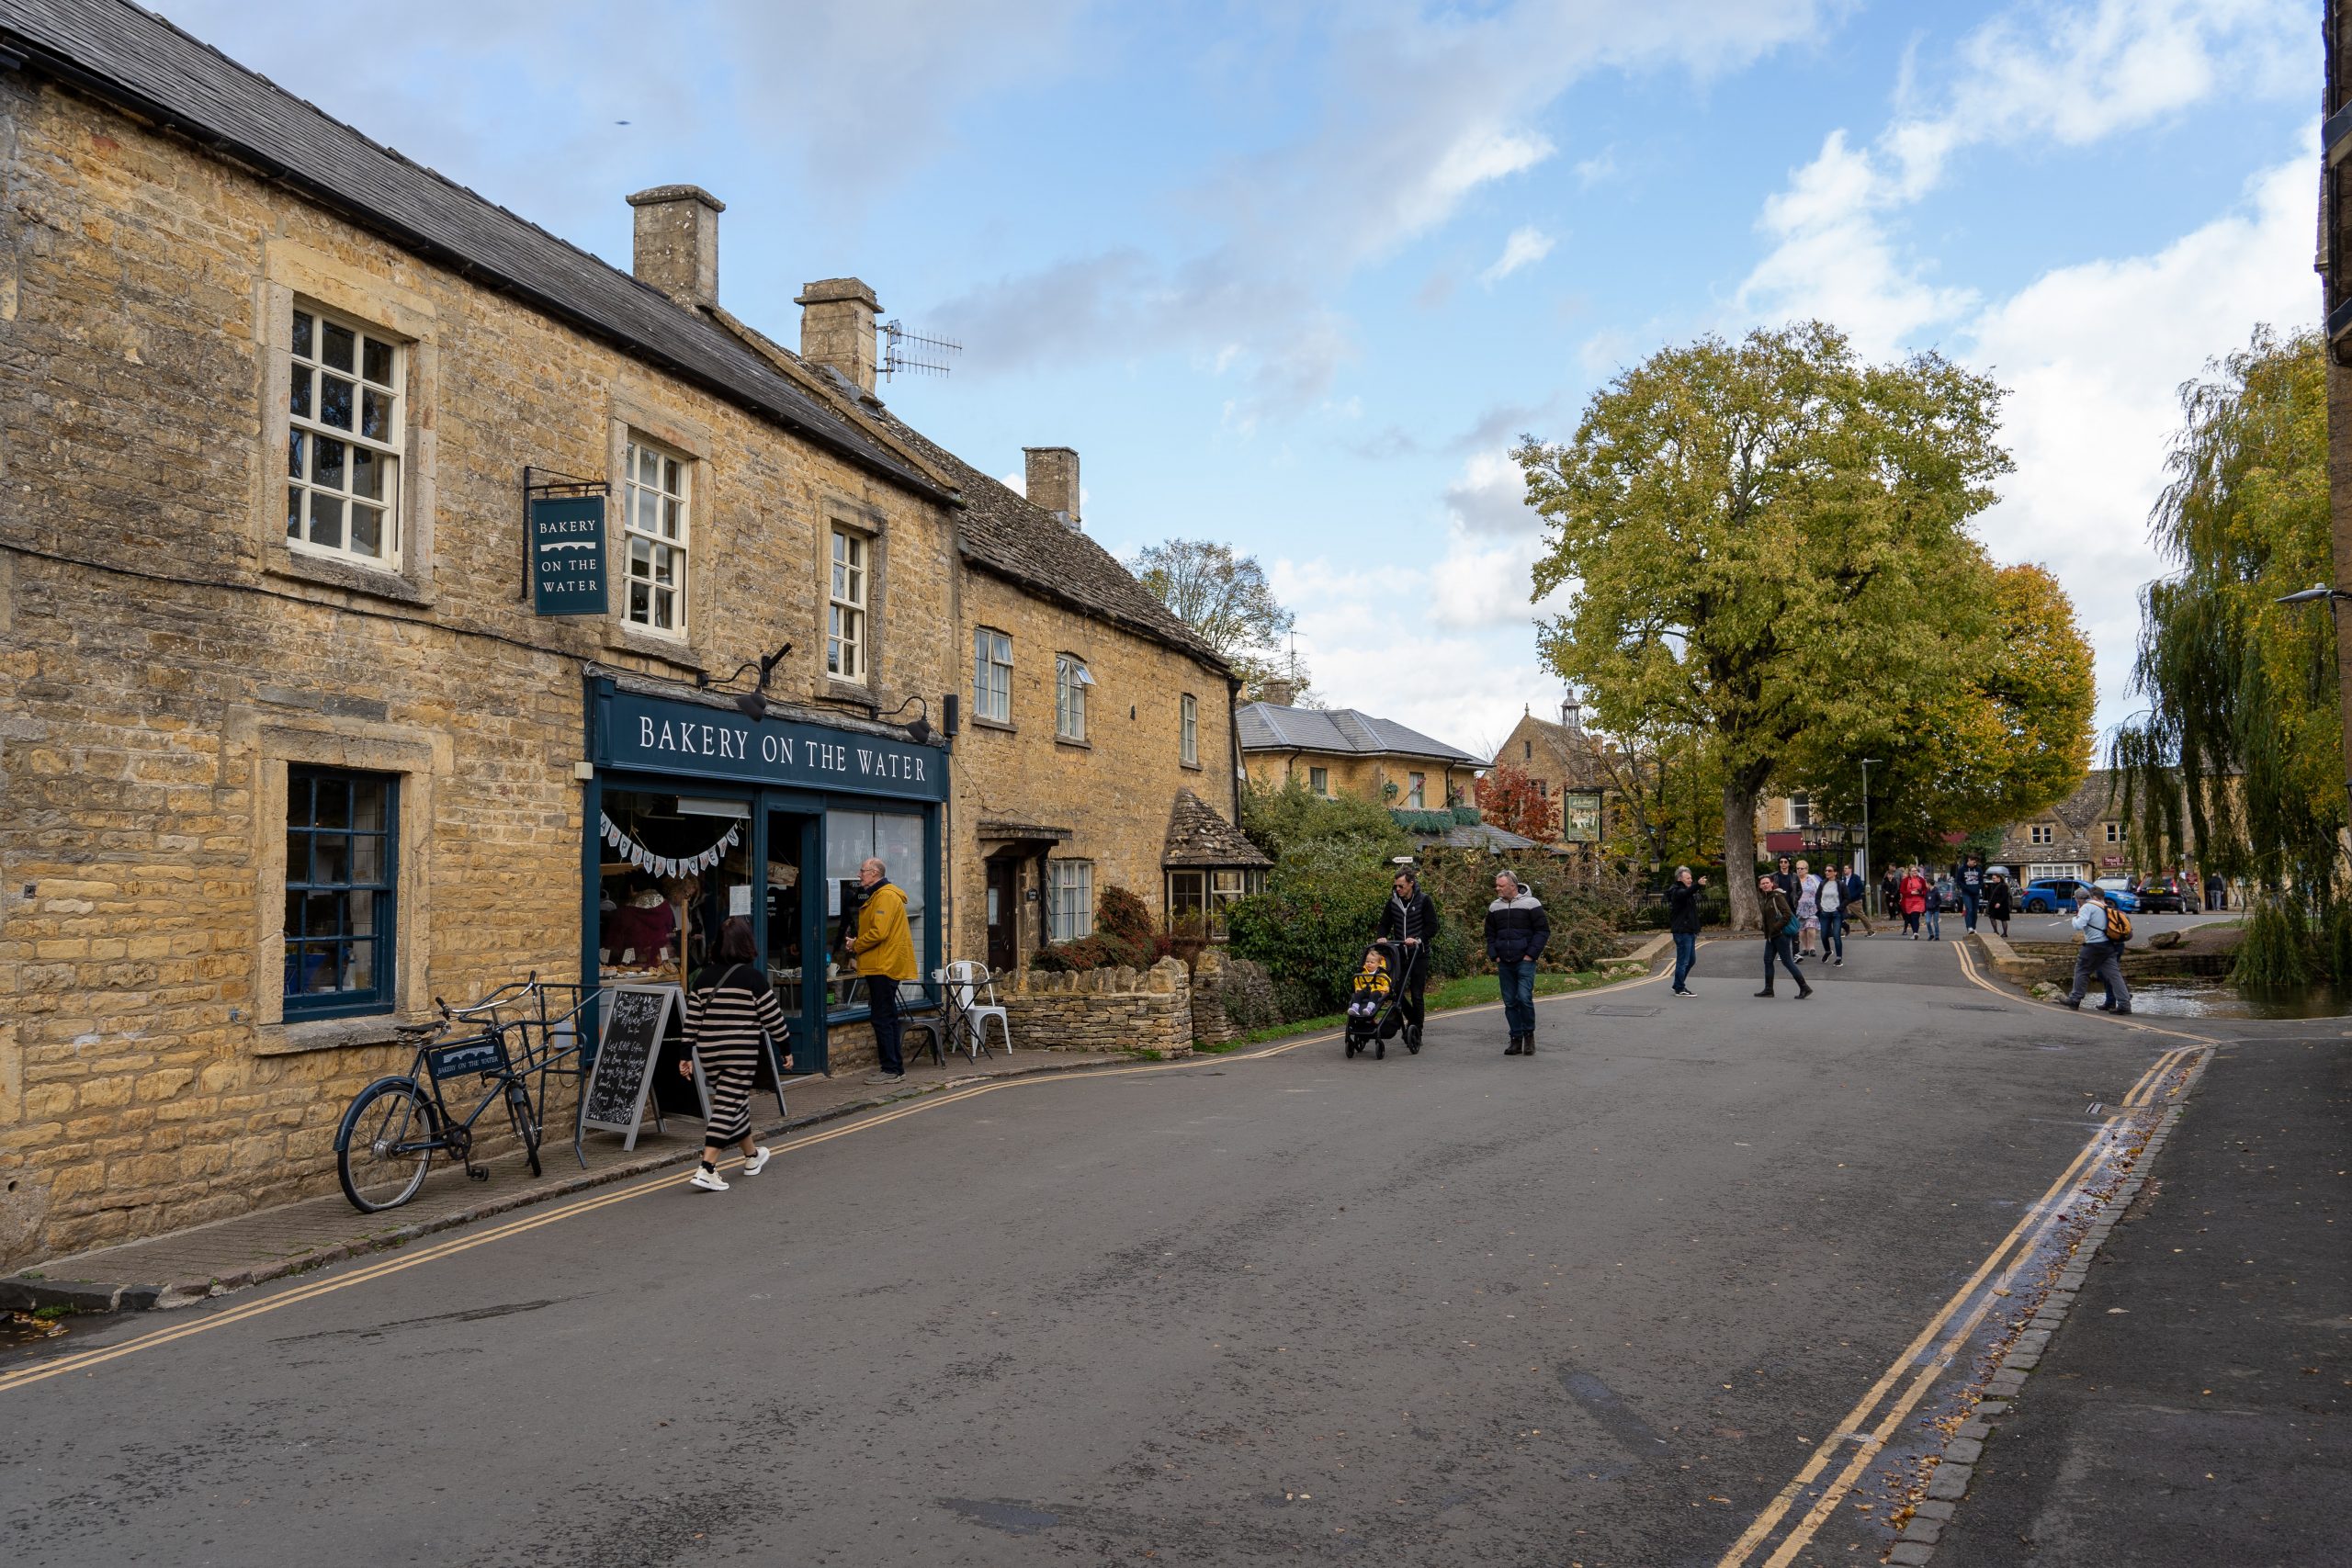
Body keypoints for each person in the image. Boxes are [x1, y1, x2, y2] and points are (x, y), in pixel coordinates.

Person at [677, 917, 791, 1192]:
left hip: (709, 1052)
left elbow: (692, 1019)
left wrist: (685, 1054)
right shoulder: (753, 979)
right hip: (739, 1051)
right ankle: (706, 1168)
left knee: (734, 1102)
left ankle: (752, 1157)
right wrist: (785, 1048)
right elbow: (773, 1019)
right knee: (727, 1106)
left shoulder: (703, 978)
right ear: (746, 944)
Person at [848, 856, 917, 1086]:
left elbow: (879, 932)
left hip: (883, 966)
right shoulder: (881, 894)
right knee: (885, 1017)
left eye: (862, 871)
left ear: (875, 873)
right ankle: (895, 1068)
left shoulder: (885, 896)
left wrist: (856, 945)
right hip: (883, 963)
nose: (859, 875)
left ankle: (890, 1070)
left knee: (882, 1018)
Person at [1485, 870, 1551, 1055]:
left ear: (1512, 886)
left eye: (1501, 885)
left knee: (1524, 998)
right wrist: (1494, 954)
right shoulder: (1494, 907)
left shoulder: (1531, 903)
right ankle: (1516, 1038)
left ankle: (1529, 1035)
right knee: (1510, 1002)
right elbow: (1490, 934)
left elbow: (1543, 931)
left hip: (1525, 960)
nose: (1497, 888)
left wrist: (1531, 954)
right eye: (1497, 885)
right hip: (1504, 961)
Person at [1374, 867, 1439, 1049]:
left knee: (1417, 993)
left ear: (1411, 884)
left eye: (1401, 886)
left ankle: (1417, 1028)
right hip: (1399, 954)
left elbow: (1432, 927)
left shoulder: (1424, 900)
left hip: (1419, 954)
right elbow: (1384, 924)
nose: (1398, 890)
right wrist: (1382, 936)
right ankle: (1412, 1019)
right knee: (1395, 991)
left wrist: (1417, 938)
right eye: (1396, 886)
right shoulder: (1393, 902)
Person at [2061, 885, 2132, 1014]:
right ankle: (2125, 1004)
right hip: (2108, 945)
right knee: (2114, 975)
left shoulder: (2087, 907)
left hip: (2094, 945)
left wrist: (2074, 918)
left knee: (2081, 969)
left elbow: (2078, 925)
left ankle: (2075, 999)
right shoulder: (2102, 905)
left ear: (2078, 899)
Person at [1754, 874, 1812, 998]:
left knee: (1787, 962)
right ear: (1760, 886)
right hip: (1772, 936)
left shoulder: (1777, 897)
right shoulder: (1766, 898)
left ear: (1772, 884)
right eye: (1762, 883)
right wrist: (1765, 928)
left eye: (1767, 883)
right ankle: (1769, 989)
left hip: (1781, 935)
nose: (1765, 885)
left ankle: (1804, 987)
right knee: (1768, 960)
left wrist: (1775, 928)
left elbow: (1787, 915)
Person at [1665, 865, 1706, 996]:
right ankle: (1679, 988)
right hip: (1682, 932)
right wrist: (1698, 885)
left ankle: (1678, 983)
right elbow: (1685, 894)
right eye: (1688, 878)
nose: (1690, 880)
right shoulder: (1676, 891)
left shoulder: (1685, 891)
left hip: (1689, 931)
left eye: (1691, 878)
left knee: (1691, 960)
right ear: (1679, 879)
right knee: (1683, 961)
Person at [1818, 861, 1845, 965]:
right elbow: (1817, 897)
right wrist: (1820, 907)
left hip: (1836, 913)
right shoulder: (1822, 883)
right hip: (1824, 912)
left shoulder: (1840, 884)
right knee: (1823, 935)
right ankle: (1828, 951)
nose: (1827, 872)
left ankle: (1839, 958)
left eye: (1829, 871)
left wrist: (1840, 908)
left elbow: (1847, 897)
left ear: (1835, 873)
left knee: (1836, 935)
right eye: (1826, 870)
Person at [1793, 859, 1821, 960]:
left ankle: (1812, 948)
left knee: (1811, 927)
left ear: (1807, 869)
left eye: (1802, 868)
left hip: (1812, 907)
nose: (1800, 870)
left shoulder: (1813, 878)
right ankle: (1804, 948)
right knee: (1801, 929)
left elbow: (1820, 889)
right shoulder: (1794, 879)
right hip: (1799, 908)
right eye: (1798, 868)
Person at [1843, 864, 1872, 937]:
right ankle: (1845, 931)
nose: (1844, 870)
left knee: (1861, 916)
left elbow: (1860, 888)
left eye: (1846, 868)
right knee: (1842, 916)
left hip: (1855, 901)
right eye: (1844, 869)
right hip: (1846, 901)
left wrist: (1853, 896)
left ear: (1850, 869)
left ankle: (1870, 931)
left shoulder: (1855, 877)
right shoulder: (1844, 879)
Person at [1899, 865, 1928, 938]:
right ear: (1910, 872)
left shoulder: (1921, 879)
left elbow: (1925, 889)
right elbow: (1902, 890)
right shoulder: (1905, 880)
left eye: (1916, 870)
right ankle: (1914, 933)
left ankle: (1915, 932)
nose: (1915, 872)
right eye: (1913, 870)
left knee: (1915, 916)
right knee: (1910, 918)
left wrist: (1920, 892)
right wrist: (1911, 893)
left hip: (1919, 901)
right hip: (1908, 902)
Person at [1959, 854, 1984, 933]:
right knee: (1969, 909)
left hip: (1976, 893)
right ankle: (1969, 927)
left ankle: (1973, 927)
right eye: (1974, 862)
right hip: (1967, 893)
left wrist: (1978, 887)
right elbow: (1959, 881)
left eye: (1976, 862)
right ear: (1969, 860)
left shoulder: (1978, 869)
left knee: (1975, 911)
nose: (1975, 864)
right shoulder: (1962, 869)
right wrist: (1966, 888)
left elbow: (1981, 881)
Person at [1984, 871, 2013, 939]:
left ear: (1998, 878)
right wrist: (1987, 888)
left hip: (2002, 905)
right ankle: (1995, 931)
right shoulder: (1994, 885)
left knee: (2003, 919)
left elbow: (2004, 895)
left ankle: (2005, 933)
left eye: (1994, 878)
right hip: (1994, 905)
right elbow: (1992, 894)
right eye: (1992, 878)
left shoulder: (2004, 885)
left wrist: (1999, 902)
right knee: (1992, 918)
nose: (1992, 879)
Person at [1924, 877, 1945, 941]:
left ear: (1929, 884)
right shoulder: (1927, 891)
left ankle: (1937, 936)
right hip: (1929, 910)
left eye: (1926, 883)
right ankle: (1931, 934)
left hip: (1935, 910)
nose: (1925, 885)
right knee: (1927, 922)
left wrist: (1934, 905)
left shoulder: (1936, 891)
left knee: (1935, 923)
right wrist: (1927, 906)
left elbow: (1940, 901)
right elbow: (1926, 899)